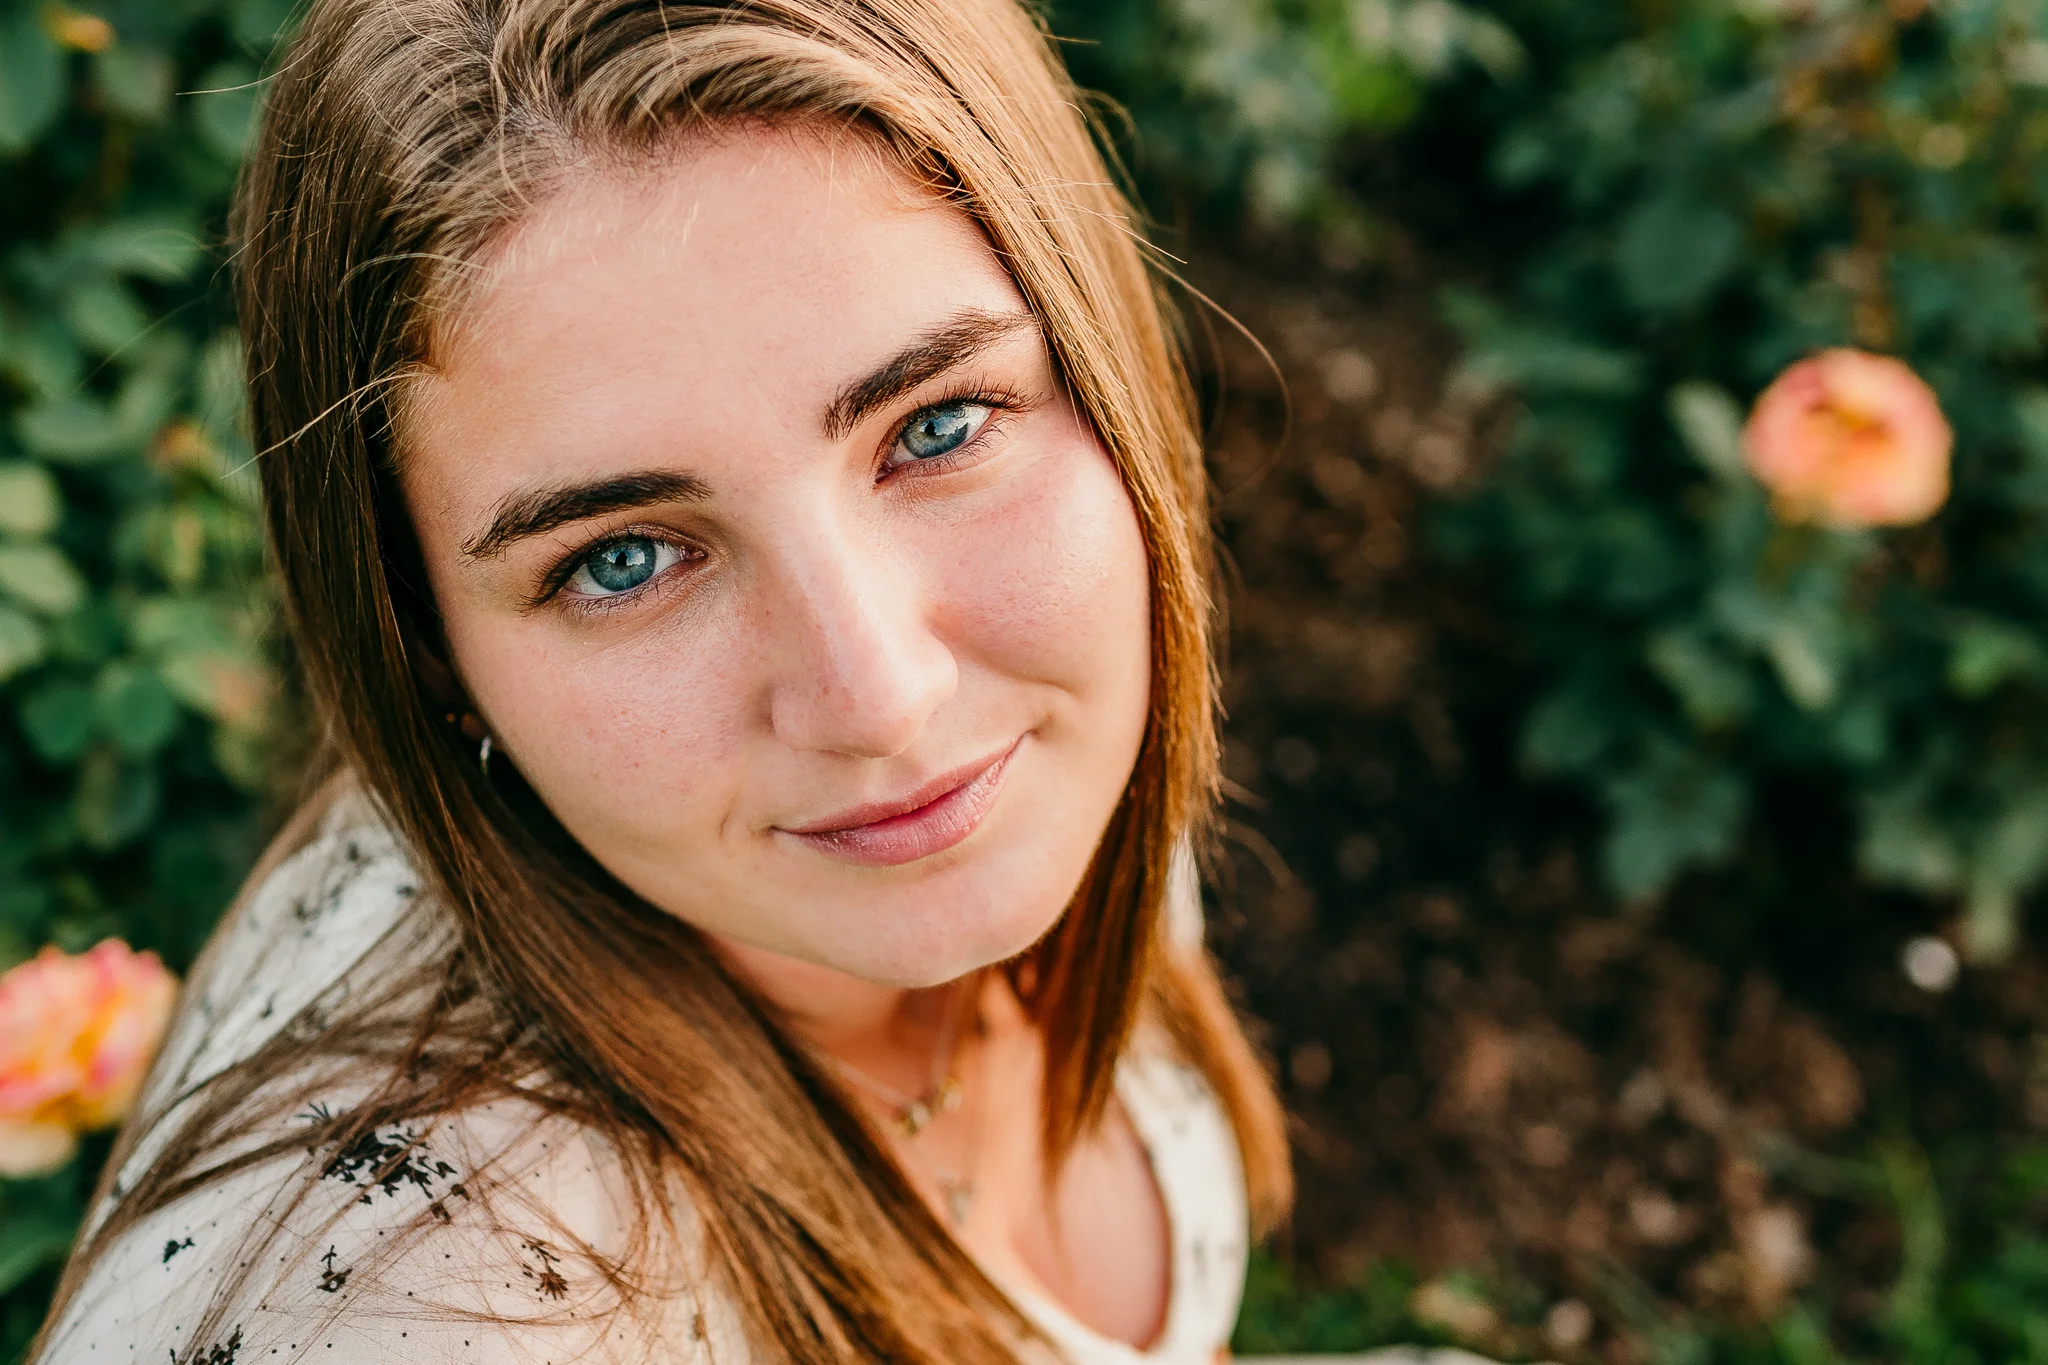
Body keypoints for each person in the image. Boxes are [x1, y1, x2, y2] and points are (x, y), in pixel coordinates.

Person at [29, 1, 1292, 1361]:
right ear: (429, 652)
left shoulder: (1039, 775)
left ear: (1108, 376)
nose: (882, 700)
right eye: (625, 559)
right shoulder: (444, 1310)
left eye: (937, 426)